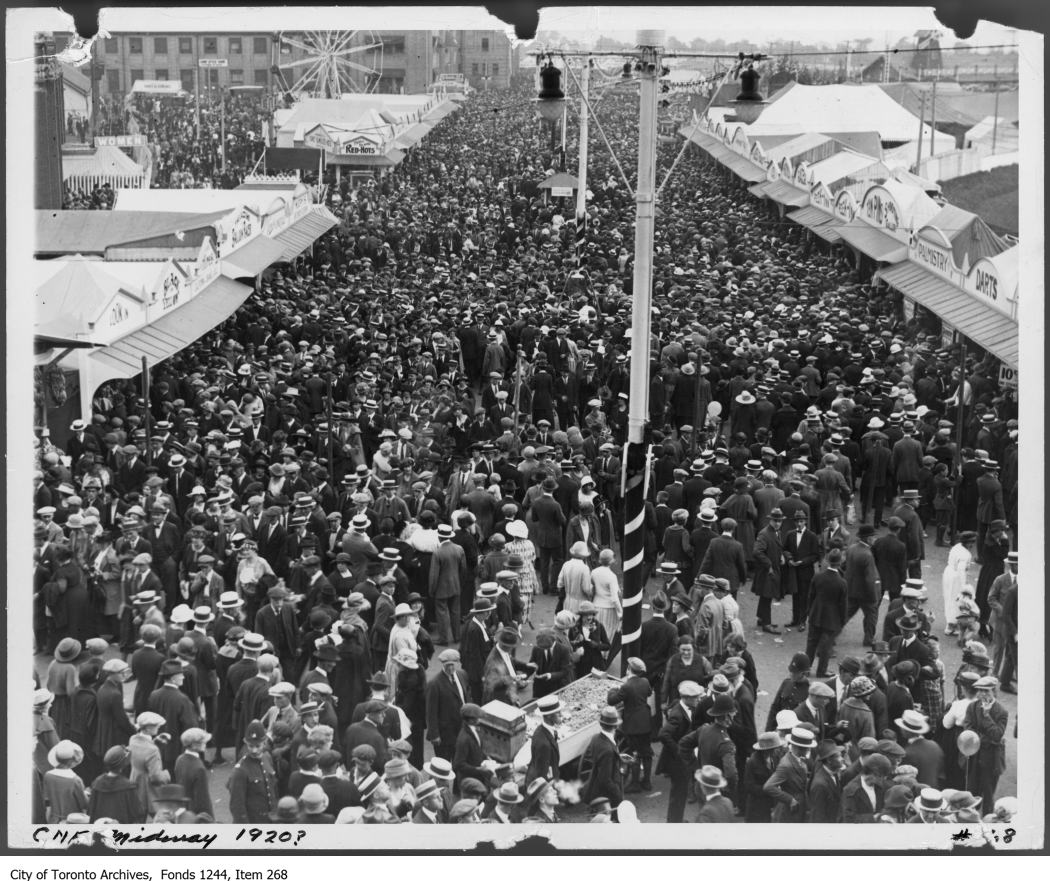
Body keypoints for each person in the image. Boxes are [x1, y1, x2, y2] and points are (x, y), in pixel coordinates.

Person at [607, 658, 653, 793]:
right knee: (647, 752)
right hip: (645, 721)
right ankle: (647, 782)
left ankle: (634, 784)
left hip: (633, 724)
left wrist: (613, 689)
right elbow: (649, 693)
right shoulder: (645, 682)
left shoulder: (626, 686)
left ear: (628, 670)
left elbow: (611, 701)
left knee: (634, 753)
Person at [963, 676, 1009, 809]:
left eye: (986, 691)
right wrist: (983, 739)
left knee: (988, 794)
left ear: (994, 691)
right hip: (974, 755)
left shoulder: (1002, 711)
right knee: (972, 791)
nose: (983, 694)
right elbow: (968, 729)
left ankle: (988, 821)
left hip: (992, 759)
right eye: (980, 691)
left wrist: (987, 716)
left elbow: (996, 735)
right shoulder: (972, 706)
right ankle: (971, 818)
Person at [806, 549, 848, 678]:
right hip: (832, 617)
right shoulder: (842, 583)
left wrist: (810, 612)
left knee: (811, 643)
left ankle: (806, 668)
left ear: (828, 560)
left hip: (816, 613)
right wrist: (842, 620)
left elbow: (811, 596)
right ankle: (821, 670)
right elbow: (843, 605)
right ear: (840, 562)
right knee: (826, 646)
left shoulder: (818, 576)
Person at [228, 720, 278, 824]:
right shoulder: (240, 770)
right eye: (250, 746)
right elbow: (237, 806)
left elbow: (272, 789)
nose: (254, 750)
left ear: (265, 743)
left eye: (258, 746)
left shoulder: (267, 758)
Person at [764, 727, 816, 823]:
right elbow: (768, 787)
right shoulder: (786, 765)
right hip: (789, 811)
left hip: (800, 807)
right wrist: (790, 799)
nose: (809, 750)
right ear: (800, 748)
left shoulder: (799, 759)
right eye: (807, 748)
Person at [579, 706, 624, 808]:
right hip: (607, 796)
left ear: (601, 724)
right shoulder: (608, 750)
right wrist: (618, 796)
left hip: (595, 787)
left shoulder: (595, 738)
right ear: (616, 726)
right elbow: (606, 780)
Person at [942, 531, 977, 637]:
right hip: (956, 578)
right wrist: (964, 587)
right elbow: (961, 571)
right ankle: (951, 625)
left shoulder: (957, 546)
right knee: (956, 600)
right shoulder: (965, 555)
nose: (972, 545)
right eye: (971, 542)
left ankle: (950, 624)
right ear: (966, 542)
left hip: (948, 573)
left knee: (948, 598)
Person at [807, 740, 845, 822]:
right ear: (829, 760)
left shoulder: (834, 773)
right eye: (838, 757)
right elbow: (818, 816)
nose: (842, 759)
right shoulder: (819, 785)